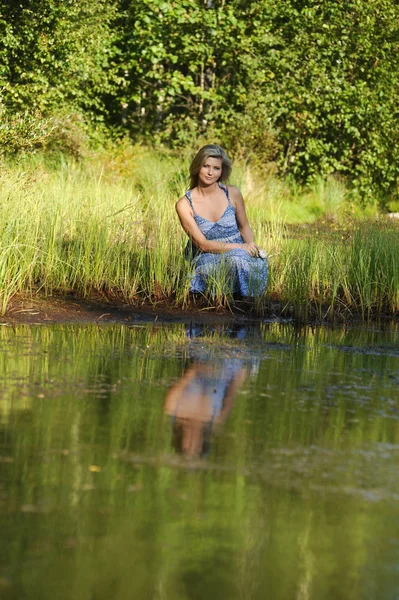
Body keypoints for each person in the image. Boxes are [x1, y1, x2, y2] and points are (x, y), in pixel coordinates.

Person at [176, 144, 268, 298]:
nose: (210, 172)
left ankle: (247, 301)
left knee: (239, 261)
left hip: (240, 253)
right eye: (206, 166)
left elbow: (244, 226)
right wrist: (240, 247)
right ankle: (222, 300)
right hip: (208, 254)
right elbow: (202, 245)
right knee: (224, 263)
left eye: (216, 168)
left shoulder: (232, 193)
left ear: (222, 171)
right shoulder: (184, 204)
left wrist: (250, 247)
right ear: (197, 166)